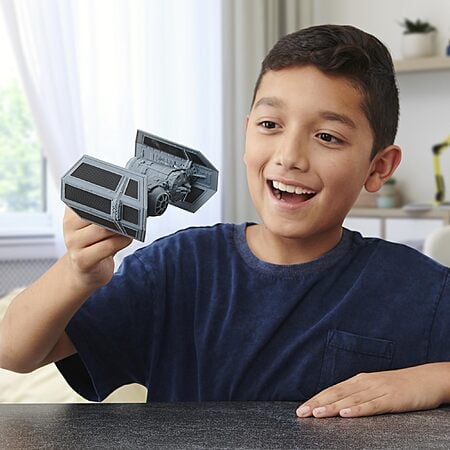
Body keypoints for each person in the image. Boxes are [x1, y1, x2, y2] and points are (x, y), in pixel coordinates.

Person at [1, 24, 449, 419]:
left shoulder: (417, 288)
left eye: (327, 136)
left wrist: (434, 378)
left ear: (378, 167)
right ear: (247, 132)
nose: (289, 156)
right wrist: (76, 272)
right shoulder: (178, 267)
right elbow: (14, 351)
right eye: (270, 125)